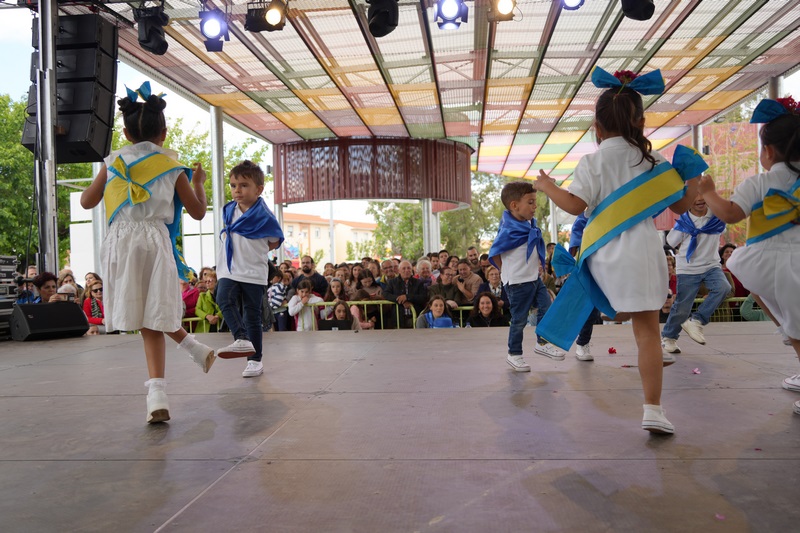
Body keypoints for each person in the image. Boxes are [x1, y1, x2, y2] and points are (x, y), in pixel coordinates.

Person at [533, 67, 701, 434]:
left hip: (604, 255)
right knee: (648, 335)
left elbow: (576, 206)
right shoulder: (653, 163)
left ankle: (558, 340)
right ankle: (653, 410)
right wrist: (694, 177)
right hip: (643, 253)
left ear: (597, 125)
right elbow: (682, 206)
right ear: (640, 123)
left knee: (584, 280)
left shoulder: (592, 161)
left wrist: (546, 186)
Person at [79, 82, 215, 423]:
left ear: (125, 132)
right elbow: (198, 211)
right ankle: (166, 381)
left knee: (146, 316)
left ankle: (165, 384)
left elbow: (86, 201)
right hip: (154, 239)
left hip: (121, 241)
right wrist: (198, 181)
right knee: (155, 309)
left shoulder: (113, 163)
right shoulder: (171, 167)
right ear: (164, 132)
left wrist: (110, 172)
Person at [697, 96, 800, 416]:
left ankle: (787, 335)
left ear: (767, 151)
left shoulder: (761, 182)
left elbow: (730, 214)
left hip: (774, 264)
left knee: (794, 327)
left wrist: (709, 191)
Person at [214, 160, 284, 378]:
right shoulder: (228, 210)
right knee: (223, 297)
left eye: (243, 185)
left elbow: (275, 240)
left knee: (252, 315)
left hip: (253, 272)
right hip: (229, 268)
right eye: (233, 185)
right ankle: (241, 338)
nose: (237, 190)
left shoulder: (264, 216)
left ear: (259, 189)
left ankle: (255, 361)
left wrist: (255, 247)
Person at [489, 181, 564, 374]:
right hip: (516, 283)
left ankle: (542, 342)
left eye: (535, 201)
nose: (535, 206)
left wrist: (539, 266)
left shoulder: (530, 224)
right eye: (530, 202)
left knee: (547, 306)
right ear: (514, 205)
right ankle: (514, 354)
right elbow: (495, 252)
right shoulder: (508, 230)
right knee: (519, 320)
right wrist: (505, 271)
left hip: (533, 279)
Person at [660, 194, 730, 354]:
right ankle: (668, 337)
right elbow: (670, 242)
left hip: (711, 265)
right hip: (688, 268)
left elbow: (725, 222)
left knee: (723, 287)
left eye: (702, 194)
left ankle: (697, 320)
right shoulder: (684, 223)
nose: (699, 199)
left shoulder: (717, 216)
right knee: (682, 307)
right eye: (694, 195)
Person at [385, 260, 428, 328]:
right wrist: (401, 300)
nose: (406, 270)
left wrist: (407, 297)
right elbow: (386, 294)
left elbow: (423, 297)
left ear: (412, 270)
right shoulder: (392, 282)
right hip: (398, 317)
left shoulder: (419, 283)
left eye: (408, 268)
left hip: (415, 316)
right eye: (404, 268)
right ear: (399, 270)